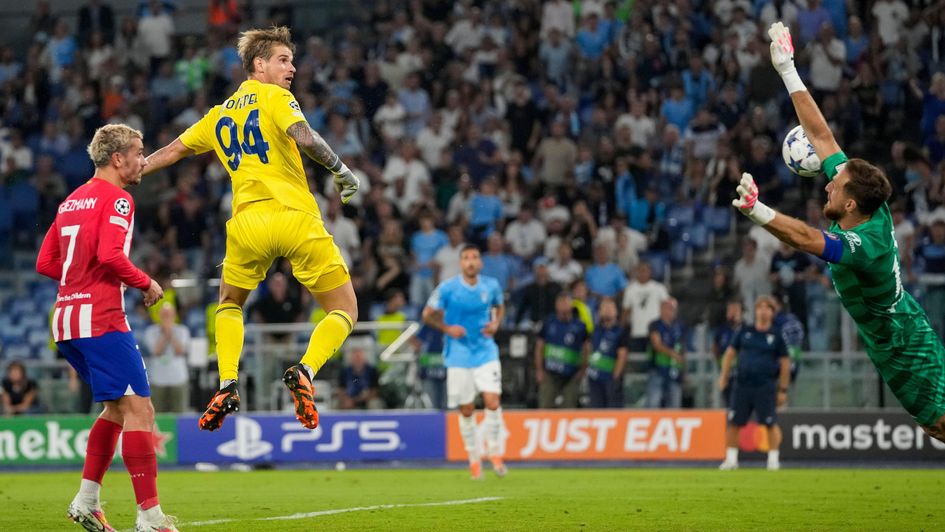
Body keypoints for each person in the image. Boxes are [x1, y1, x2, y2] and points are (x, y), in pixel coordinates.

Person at [730, 22, 945, 441]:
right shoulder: (864, 203)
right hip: (898, 328)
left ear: (849, 205)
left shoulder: (865, 244)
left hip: (900, 342)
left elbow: (808, 239)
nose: (828, 183)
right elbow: (821, 135)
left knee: (939, 423)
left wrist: (758, 211)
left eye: (835, 185)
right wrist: (788, 68)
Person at [142, 26, 361, 432]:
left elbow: (173, 151)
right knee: (345, 309)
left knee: (229, 303)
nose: (292, 69)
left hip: (247, 225)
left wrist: (135, 169)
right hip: (294, 217)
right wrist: (340, 169)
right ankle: (305, 371)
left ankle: (227, 383)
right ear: (259, 65)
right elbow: (305, 136)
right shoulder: (276, 97)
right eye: (283, 60)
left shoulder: (219, 114)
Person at [34, 124, 176, 531]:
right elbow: (111, 255)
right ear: (118, 158)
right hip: (100, 318)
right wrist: (146, 282)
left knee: (116, 409)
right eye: (139, 152)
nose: (143, 160)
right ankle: (150, 516)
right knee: (140, 410)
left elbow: (45, 263)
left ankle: (86, 501)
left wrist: (78, 278)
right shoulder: (118, 199)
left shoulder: (70, 201)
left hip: (66, 320)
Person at [422, 244, 507, 480]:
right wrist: (447, 328)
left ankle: (494, 452)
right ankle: (473, 458)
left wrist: (496, 323)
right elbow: (427, 314)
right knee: (467, 408)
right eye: (466, 258)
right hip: (458, 354)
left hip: (486, 351)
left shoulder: (491, 285)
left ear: (480, 262)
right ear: (461, 263)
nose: (471, 261)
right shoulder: (448, 288)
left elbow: (500, 306)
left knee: (492, 401)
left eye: (475, 257)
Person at [717, 296, 791, 471]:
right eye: (760, 307)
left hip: (765, 385)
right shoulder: (745, 331)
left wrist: (783, 389)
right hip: (742, 384)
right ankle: (731, 460)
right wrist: (723, 376)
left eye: (767, 308)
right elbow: (729, 354)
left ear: (772, 313)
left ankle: (773, 460)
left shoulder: (777, 335)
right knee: (734, 423)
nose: (763, 311)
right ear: (755, 311)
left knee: (770, 423)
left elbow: (785, 363)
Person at [534, 291, 590, 409]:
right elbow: (539, 347)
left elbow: (586, 349)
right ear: (556, 305)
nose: (564, 305)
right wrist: (539, 369)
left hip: (572, 374)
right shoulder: (548, 322)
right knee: (545, 406)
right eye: (561, 302)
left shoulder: (580, 326)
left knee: (569, 407)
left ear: (572, 304)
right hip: (550, 372)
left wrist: (583, 369)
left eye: (566, 302)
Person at [142, 303, 191, 413]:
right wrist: (165, 333)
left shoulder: (183, 330)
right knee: (158, 414)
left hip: (178, 379)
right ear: (159, 316)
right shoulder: (151, 331)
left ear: (174, 315)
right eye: (164, 315)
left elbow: (180, 350)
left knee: (180, 413)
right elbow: (156, 351)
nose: (167, 318)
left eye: (169, 315)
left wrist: (170, 332)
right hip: (158, 379)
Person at [587, 298, 629, 408]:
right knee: (596, 410)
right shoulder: (595, 330)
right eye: (604, 307)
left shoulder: (620, 331)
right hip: (594, 378)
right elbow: (589, 350)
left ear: (616, 311)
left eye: (610, 307)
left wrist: (615, 377)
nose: (607, 310)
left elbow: (622, 355)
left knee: (613, 411)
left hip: (611, 379)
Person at [645, 298, 686, 409]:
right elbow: (657, 344)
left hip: (675, 371)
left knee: (674, 404)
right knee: (653, 402)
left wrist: (684, 370)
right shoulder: (654, 325)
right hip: (657, 369)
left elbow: (682, 348)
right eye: (668, 308)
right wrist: (673, 354)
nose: (671, 311)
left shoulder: (679, 326)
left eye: (673, 308)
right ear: (661, 309)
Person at [409, 324, 447, 409]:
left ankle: (446, 412)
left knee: (447, 399)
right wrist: (419, 348)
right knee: (431, 400)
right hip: (429, 369)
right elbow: (415, 341)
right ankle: (434, 413)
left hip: (445, 368)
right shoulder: (427, 327)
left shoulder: (448, 325)